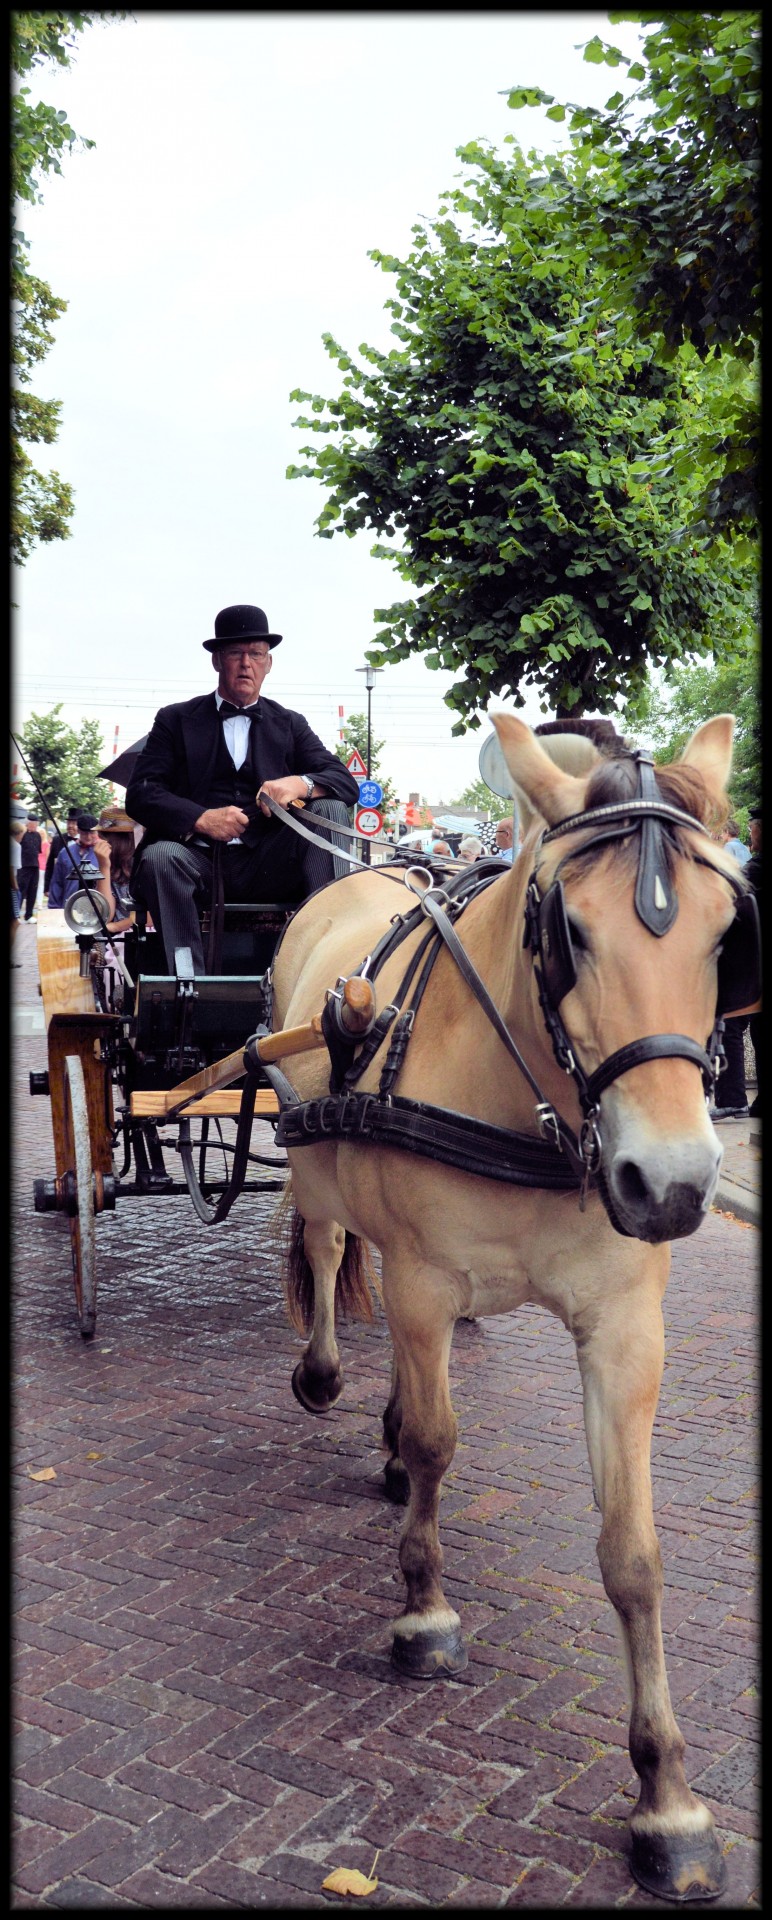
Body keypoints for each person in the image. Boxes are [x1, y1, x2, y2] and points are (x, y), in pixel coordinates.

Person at [126, 603, 360, 973]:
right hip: (197, 861)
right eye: (236, 653)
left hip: (268, 862)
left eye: (256, 654)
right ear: (217, 661)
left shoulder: (289, 723)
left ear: (269, 664)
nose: (246, 663)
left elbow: (345, 782)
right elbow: (140, 793)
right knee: (159, 857)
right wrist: (200, 818)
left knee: (330, 809)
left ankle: (329, 965)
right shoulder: (175, 720)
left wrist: (299, 782)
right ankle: (188, 982)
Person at [47, 813, 114, 912]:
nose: (88, 837)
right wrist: (53, 908)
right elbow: (57, 882)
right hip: (69, 906)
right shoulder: (65, 853)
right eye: (84, 833)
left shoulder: (104, 852)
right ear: (78, 831)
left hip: (96, 908)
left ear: (97, 831)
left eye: (92, 833)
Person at [96, 806, 137, 932]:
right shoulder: (110, 865)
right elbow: (105, 915)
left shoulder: (143, 863)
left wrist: (117, 926)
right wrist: (104, 867)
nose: (99, 841)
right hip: (118, 942)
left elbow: (153, 914)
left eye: (103, 837)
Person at [44, 806, 81, 897]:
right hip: (59, 885)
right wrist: (47, 887)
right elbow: (50, 865)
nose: (70, 826)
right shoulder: (57, 840)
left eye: (74, 823)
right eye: (69, 822)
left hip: (79, 887)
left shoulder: (85, 841)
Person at [18, 815, 43, 921]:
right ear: (28, 823)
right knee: (21, 891)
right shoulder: (22, 834)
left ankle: (29, 915)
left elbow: (38, 851)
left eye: (36, 823)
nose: (35, 825)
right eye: (34, 823)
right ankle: (16, 915)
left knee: (33, 891)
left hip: (35, 866)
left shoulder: (38, 835)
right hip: (24, 866)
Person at [10, 824, 24, 965]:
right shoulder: (15, 846)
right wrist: (15, 887)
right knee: (15, 922)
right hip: (11, 888)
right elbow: (11, 868)